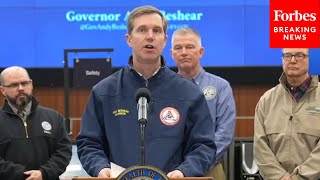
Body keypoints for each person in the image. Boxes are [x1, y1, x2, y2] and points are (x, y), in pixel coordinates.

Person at [76, 5, 216, 178]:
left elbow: (203, 146)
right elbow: (89, 143)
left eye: (156, 31)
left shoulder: (189, 94)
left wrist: (184, 171)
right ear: (129, 39)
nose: (150, 36)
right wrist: (100, 168)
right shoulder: (104, 92)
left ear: (164, 40)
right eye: (142, 30)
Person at [170, 27, 236, 180]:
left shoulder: (220, 87)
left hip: (209, 168)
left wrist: (195, 165)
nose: (184, 52)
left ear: (201, 52)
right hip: (173, 172)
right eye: (178, 48)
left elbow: (224, 134)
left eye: (190, 47)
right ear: (172, 54)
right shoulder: (164, 89)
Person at [254, 48, 320, 180]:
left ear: (308, 59)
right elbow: (260, 147)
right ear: (282, 60)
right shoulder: (267, 100)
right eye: (288, 55)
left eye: (300, 55)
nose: (293, 60)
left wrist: (298, 178)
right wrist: (279, 177)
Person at [0, 66, 72, 180]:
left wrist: (44, 173)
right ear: (3, 90)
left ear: (31, 84)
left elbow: (64, 151)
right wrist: (23, 175)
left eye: (24, 83)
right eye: (14, 85)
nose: (21, 88)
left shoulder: (53, 117)